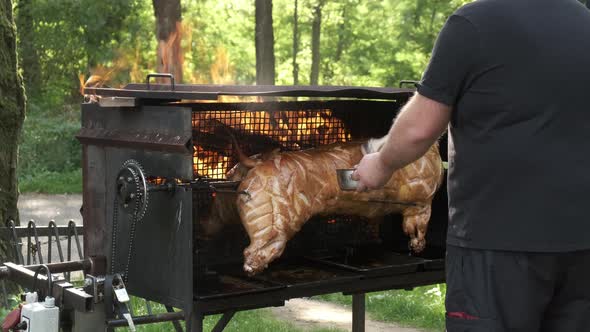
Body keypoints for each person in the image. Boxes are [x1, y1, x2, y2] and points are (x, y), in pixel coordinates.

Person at [351, 0, 590, 331]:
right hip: (580, 243)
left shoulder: (475, 23)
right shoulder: (584, 20)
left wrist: (381, 163)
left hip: (497, 241)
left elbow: (420, 128)